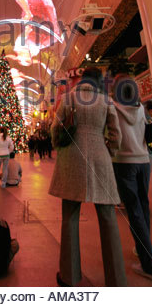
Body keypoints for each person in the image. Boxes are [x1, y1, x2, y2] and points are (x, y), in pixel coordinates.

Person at [49, 67, 127, 287]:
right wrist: (109, 150)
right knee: (108, 218)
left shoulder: (68, 98)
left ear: (81, 80)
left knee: (70, 217)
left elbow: (55, 128)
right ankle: (116, 280)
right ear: (99, 81)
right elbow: (116, 134)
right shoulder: (106, 101)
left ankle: (69, 276)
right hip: (100, 159)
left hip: (71, 160)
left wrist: (59, 147)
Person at [112, 75, 152, 282]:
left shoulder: (113, 108)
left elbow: (113, 135)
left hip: (124, 162)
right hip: (143, 162)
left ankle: (150, 266)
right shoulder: (140, 108)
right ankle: (141, 247)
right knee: (142, 206)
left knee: (133, 211)